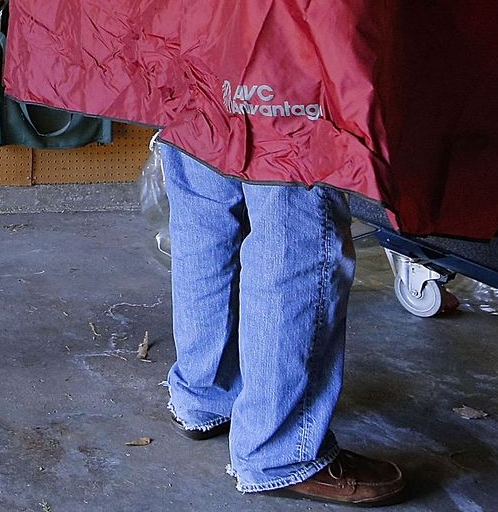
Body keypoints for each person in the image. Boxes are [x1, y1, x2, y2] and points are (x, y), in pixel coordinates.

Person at [156, 135, 407, 506]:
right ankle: (281, 451)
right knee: (293, 223)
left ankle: (204, 393)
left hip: (194, 80)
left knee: (203, 202)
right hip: (286, 90)